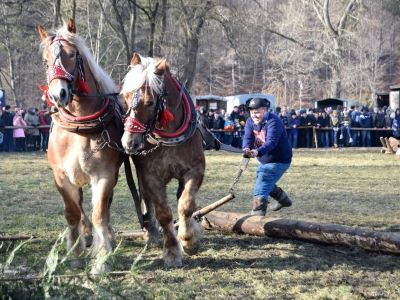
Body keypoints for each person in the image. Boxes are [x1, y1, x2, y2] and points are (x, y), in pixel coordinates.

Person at [242, 97, 292, 216]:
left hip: (279, 160)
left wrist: (258, 152)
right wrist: (247, 148)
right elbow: (248, 138)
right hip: (265, 160)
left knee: (262, 184)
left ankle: (257, 217)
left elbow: (272, 142)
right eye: (252, 113)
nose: (254, 116)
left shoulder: (274, 122)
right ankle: (283, 199)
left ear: (265, 110)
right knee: (264, 179)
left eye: (257, 112)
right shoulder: (250, 121)